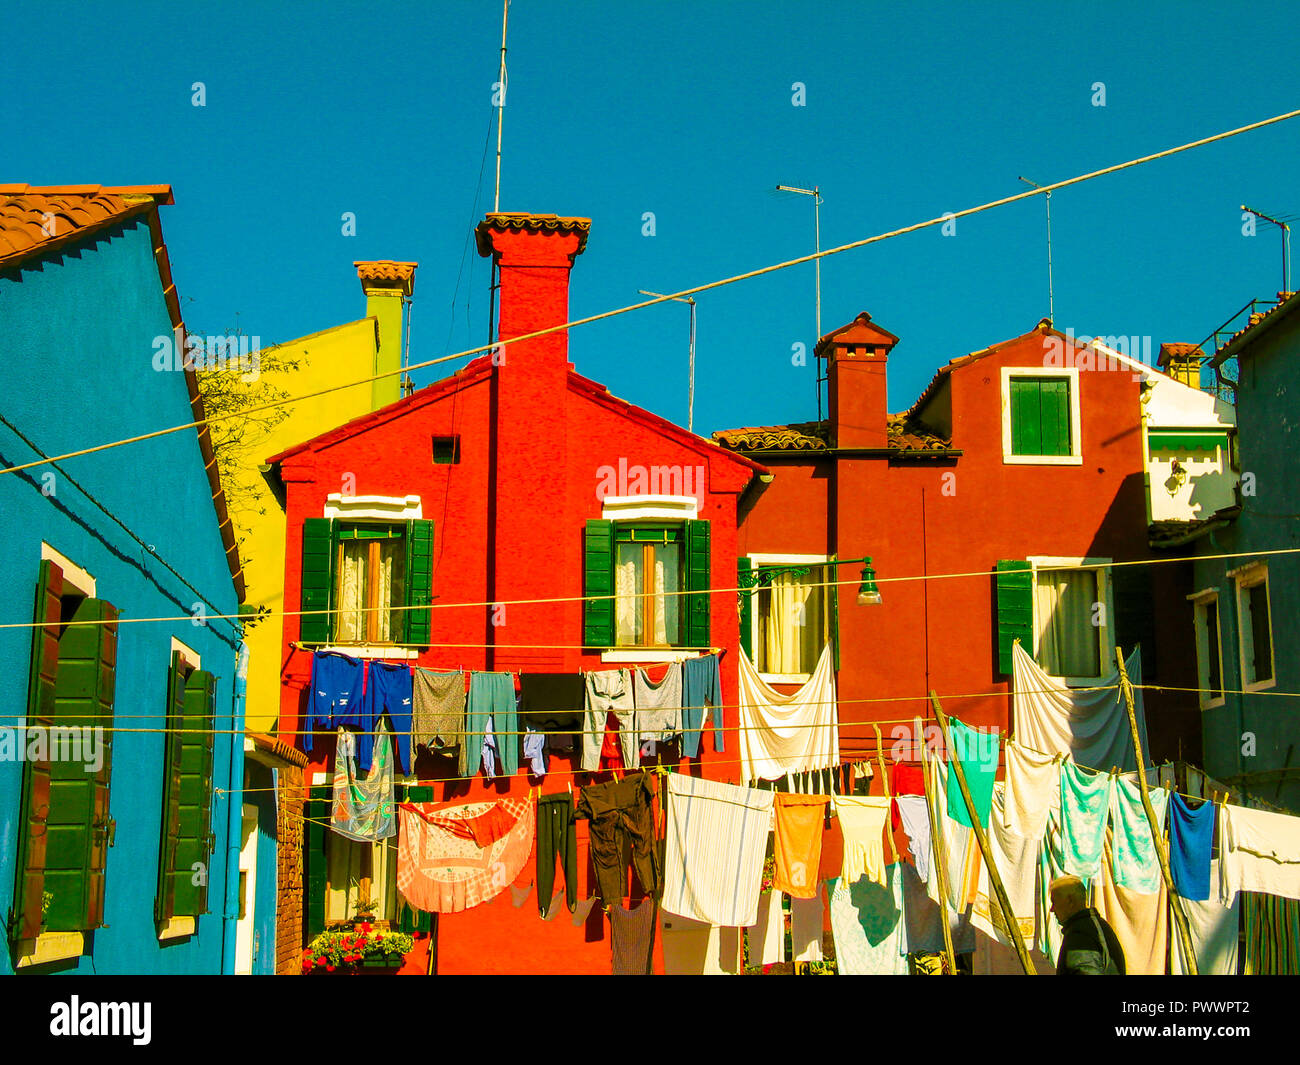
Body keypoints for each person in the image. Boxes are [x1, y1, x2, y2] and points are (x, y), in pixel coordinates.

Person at [1048, 875, 1125, 975]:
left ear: (1070, 901)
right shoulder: (1095, 926)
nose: (1052, 909)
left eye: (1054, 902)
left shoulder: (1081, 935)